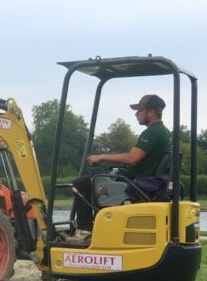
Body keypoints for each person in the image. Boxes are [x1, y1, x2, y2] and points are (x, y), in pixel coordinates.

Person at [67, 94, 172, 243]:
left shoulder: (152, 132)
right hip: (146, 181)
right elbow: (137, 160)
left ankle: (85, 230)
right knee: (98, 181)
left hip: (135, 183)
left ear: (152, 112)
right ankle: (100, 227)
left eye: (140, 110)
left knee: (81, 183)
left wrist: (101, 157)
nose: (137, 114)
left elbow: (132, 158)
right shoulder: (165, 132)